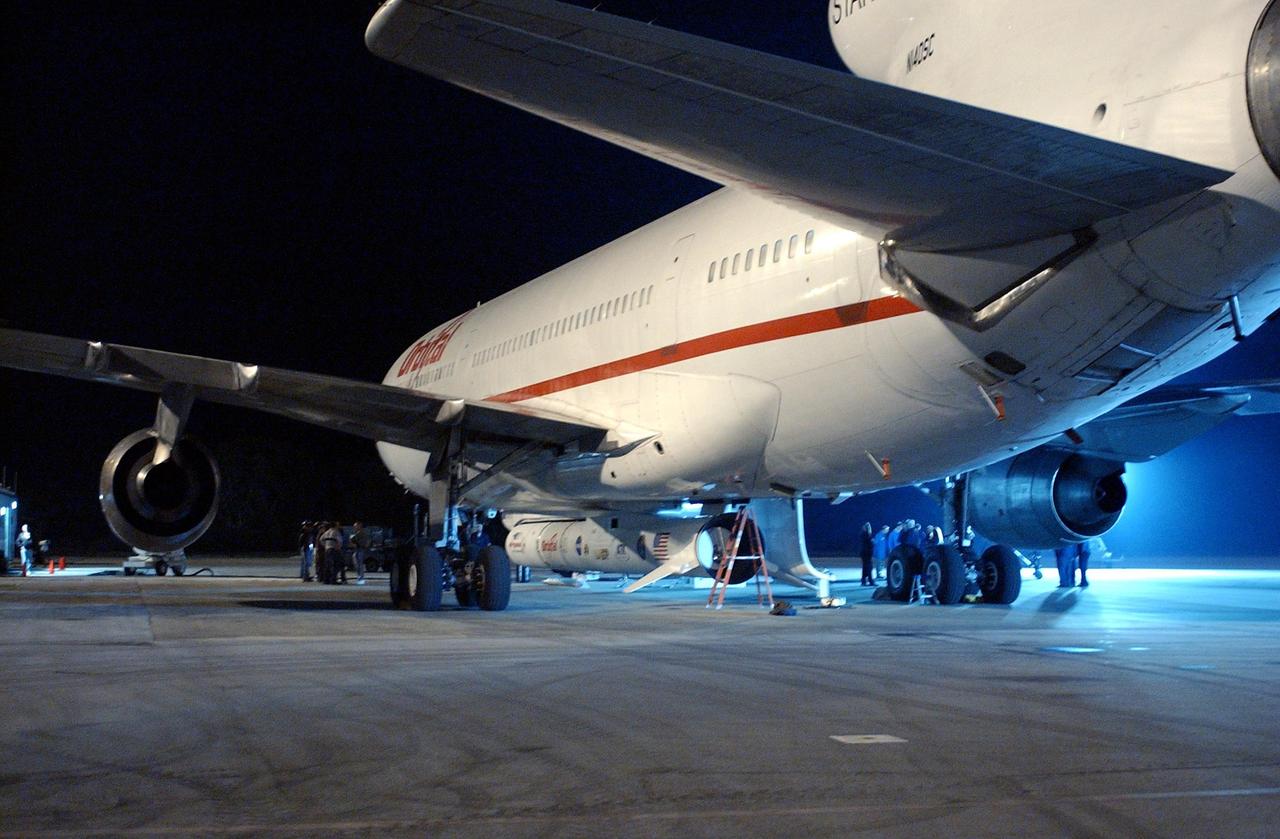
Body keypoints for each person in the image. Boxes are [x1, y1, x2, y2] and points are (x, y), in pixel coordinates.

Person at [350, 521, 371, 586]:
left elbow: (363, 542)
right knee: (357, 564)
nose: (354, 527)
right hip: (357, 550)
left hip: (360, 549)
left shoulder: (361, 533)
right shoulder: (357, 533)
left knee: (359, 564)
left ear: (359, 526)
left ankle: (360, 578)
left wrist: (353, 540)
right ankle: (359, 577)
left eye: (356, 526)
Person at [858, 522, 875, 586]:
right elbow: (869, 544)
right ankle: (870, 581)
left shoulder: (863, 534)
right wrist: (872, 542)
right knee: (869, 567)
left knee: (865, 567)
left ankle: (863, 581)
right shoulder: (866, 535)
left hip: (864, 553)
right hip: (866, 553)